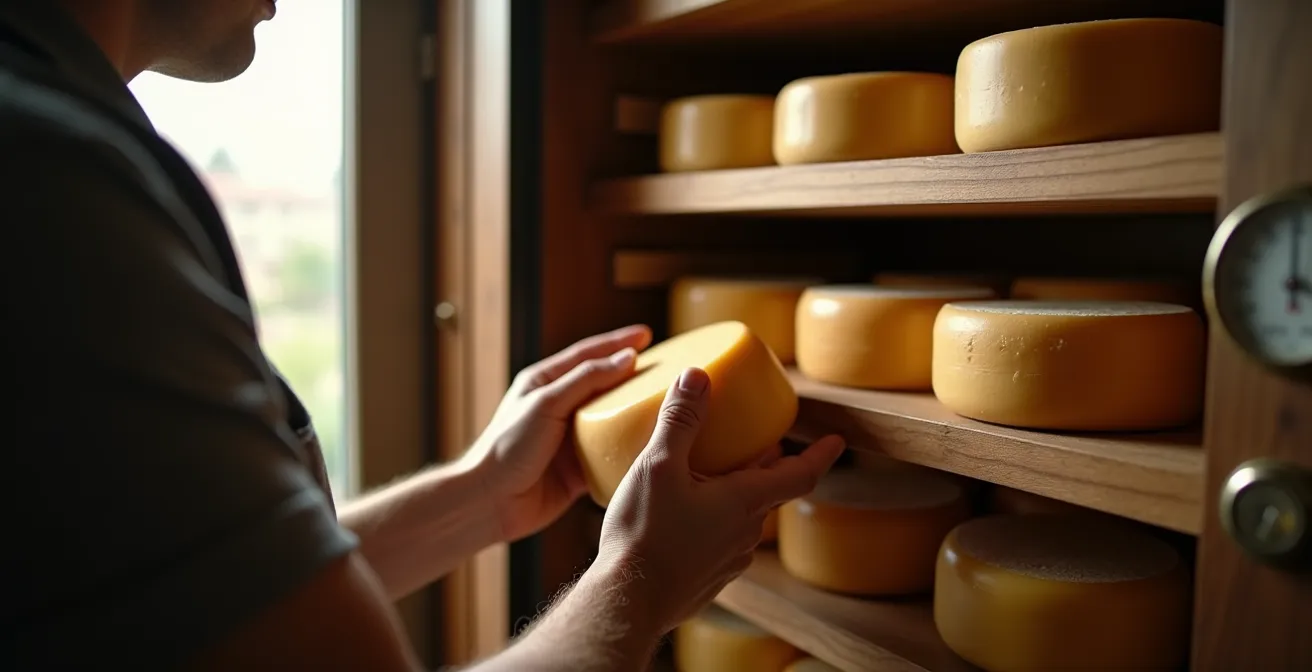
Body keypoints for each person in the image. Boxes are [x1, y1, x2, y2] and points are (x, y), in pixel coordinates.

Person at [0, 1, 847, 670]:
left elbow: (190, 617)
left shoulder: (59, 141)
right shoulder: (50, 188)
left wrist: (482, 494)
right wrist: (643, 582)